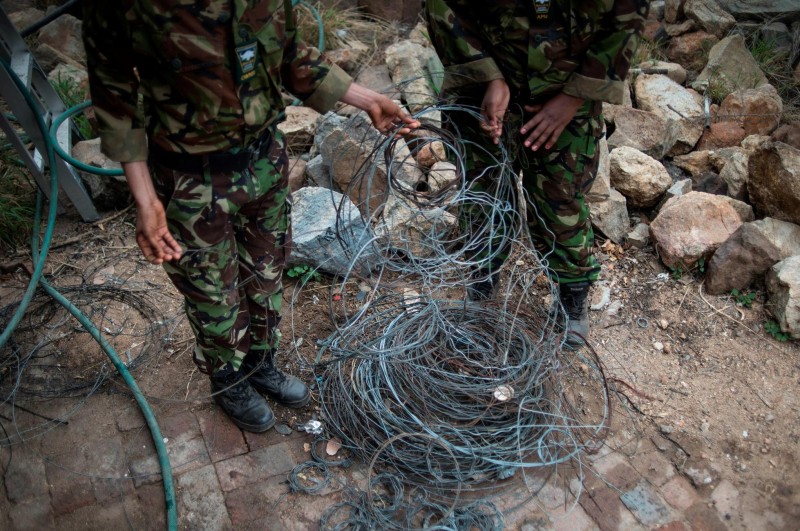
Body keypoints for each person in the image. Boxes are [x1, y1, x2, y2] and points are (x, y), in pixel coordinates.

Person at [82, 0, 418, 432]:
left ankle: (260, 364)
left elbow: (291, 55)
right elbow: (115, 96)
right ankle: (228, 380)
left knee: (266, 274)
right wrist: (146, 199)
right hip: (191, 180)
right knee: (214, 296)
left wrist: (367, 98)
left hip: (264, 163)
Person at [425, 0, 649, 348]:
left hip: (566, 93)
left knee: (561, 200)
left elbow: (625, 21)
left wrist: (573, 98)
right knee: (482, 194)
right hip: (480, 92)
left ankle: (572, 299)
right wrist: (487, 75)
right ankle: (481, 281)